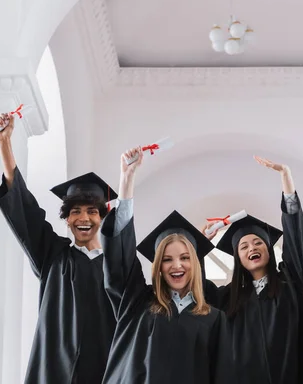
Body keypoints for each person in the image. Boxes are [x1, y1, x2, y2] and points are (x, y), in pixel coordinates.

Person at [0, 113, 116, 383]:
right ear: (67, 219)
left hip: (102, 373)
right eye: (75, 212)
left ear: (102, 217)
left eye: (92, 211)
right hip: (53, 373)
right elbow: (25, 209)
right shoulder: (53, 255)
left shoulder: (116, 268)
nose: (83, 218)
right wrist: (4, 143)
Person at [100, 147, 233, 384]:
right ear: (158, 266)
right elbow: (120, 260)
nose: (176, 266)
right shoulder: (138, 303)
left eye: (184, 258)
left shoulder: (214, 319)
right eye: (167, 259)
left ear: (195, 262)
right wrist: (127, 180)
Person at [204, 156, 303, 384]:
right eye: (244, 246)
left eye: (258, 243)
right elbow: (197, 292)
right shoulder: (226, 298)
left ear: (268, 249)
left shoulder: (291, 284)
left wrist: (287, 183)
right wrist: (199, 246)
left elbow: (296, 244)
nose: (252, 248)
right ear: (238, 258)